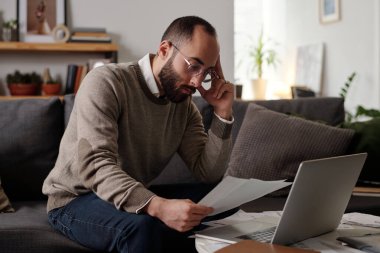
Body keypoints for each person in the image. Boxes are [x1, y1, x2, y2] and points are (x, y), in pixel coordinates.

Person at [43, 16, 234, 253]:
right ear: (164, 49)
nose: (196, 82)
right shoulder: (106, 82)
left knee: (220, 203)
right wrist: (159, 207)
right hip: (75, 200)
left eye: (205, 73)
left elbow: (209, 172)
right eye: (193, 65)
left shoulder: (183, 105)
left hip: (129, 194)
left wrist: (223, 113)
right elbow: (96, 165)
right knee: (142, 228)